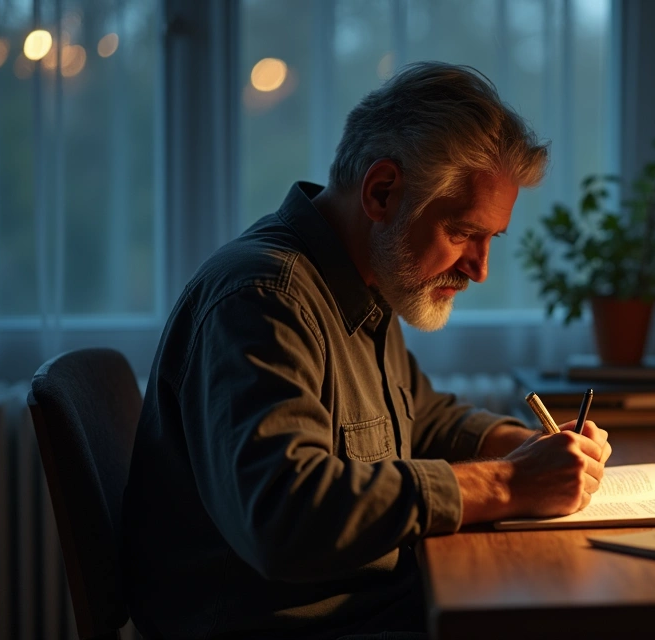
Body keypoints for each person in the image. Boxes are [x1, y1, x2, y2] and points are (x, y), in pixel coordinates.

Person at [121, 62, 612, 639]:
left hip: (370, 608)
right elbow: (285, 516)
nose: (479, 269)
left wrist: (530, 445)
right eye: (463, 233)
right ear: (382, 192)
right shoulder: (262, 299)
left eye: (490, 240)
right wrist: (508, 484)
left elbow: (423, 417)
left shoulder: (365, 282)